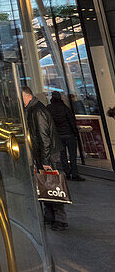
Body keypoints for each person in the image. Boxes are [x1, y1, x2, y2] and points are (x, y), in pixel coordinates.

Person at [21, 84, 68, 231]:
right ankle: (49, 215)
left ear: (25, 96)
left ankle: (60, 218)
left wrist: (46, 161)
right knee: (45, 184)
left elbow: (44, 137)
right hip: (43, 155)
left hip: (49, 155)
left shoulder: (37, 111)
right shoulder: (33, 110)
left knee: (54, 185)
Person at [48, 91, 84, 180]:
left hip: (58, 135)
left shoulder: (49, 108)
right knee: (72, 155)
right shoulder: (65, 108)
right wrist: (75, 133)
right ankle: (74, 174)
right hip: (69, 134)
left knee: (63, 155)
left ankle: (67, 173)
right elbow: (71, 121)